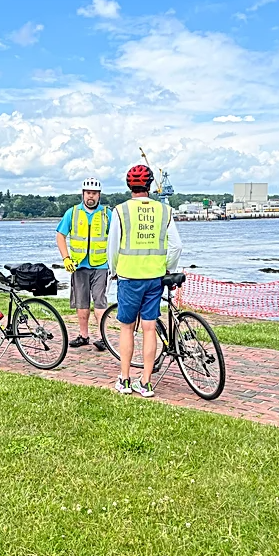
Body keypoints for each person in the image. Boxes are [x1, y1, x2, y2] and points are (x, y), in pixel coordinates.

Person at [107, 164, 183, 398]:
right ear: (150, 185)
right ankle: (146, 382)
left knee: (127, 327)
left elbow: (113, 246)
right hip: (154, 277)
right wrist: (168, 268)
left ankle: (125, 379)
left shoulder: (120, 211)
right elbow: (176, 246)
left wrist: (114, 270)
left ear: (129, 185)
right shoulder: (164, 211)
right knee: (149, 328)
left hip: (129, 277)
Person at [56, 178, 111, 351]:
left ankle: (103, 338)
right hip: (79, 265)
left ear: (99, 195)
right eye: (88, 193)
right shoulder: (72, 213)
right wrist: (66, 258)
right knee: (81, 302)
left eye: (94, 193)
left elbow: (117, 238)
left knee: (100, 301)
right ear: (83, 194)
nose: (91, 196)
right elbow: (60, 235)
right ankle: (83, 335)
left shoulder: (107, 214)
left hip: (101, 264)